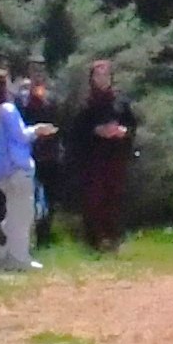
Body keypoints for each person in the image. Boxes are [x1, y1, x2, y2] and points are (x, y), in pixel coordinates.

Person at [67, 61, 136, 252]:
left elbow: (132, 125)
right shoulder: (85, 104)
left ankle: (114, 239)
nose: (102, 79)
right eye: (98, 75)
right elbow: (76, 133)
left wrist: (123, 131)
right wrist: (96, 130)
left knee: (114, 198)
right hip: (93, 160)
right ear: (92, 78)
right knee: (93, 200)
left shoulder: (120, 102)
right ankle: (95, 241)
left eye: (106, 75)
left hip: (115, 158)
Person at [0, 78, 39, 271]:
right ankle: (19, 258)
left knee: (13, 213)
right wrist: (37, 130)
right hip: (17, 167)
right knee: (23, 215)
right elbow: (20, 136)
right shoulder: (8, 109)